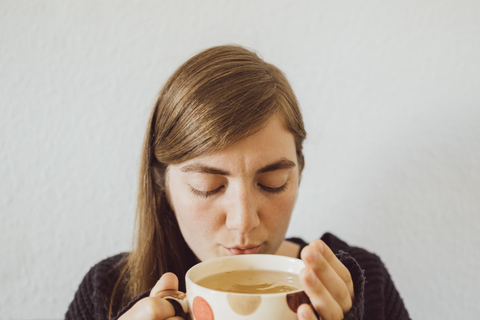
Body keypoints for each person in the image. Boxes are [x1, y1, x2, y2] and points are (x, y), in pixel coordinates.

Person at [65, 45, 410, 320]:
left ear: (299, 174)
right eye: (208, 186)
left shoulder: (363, 285)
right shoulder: (106, 293)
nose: (243, 221)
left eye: (273, 183)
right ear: (162, 183)